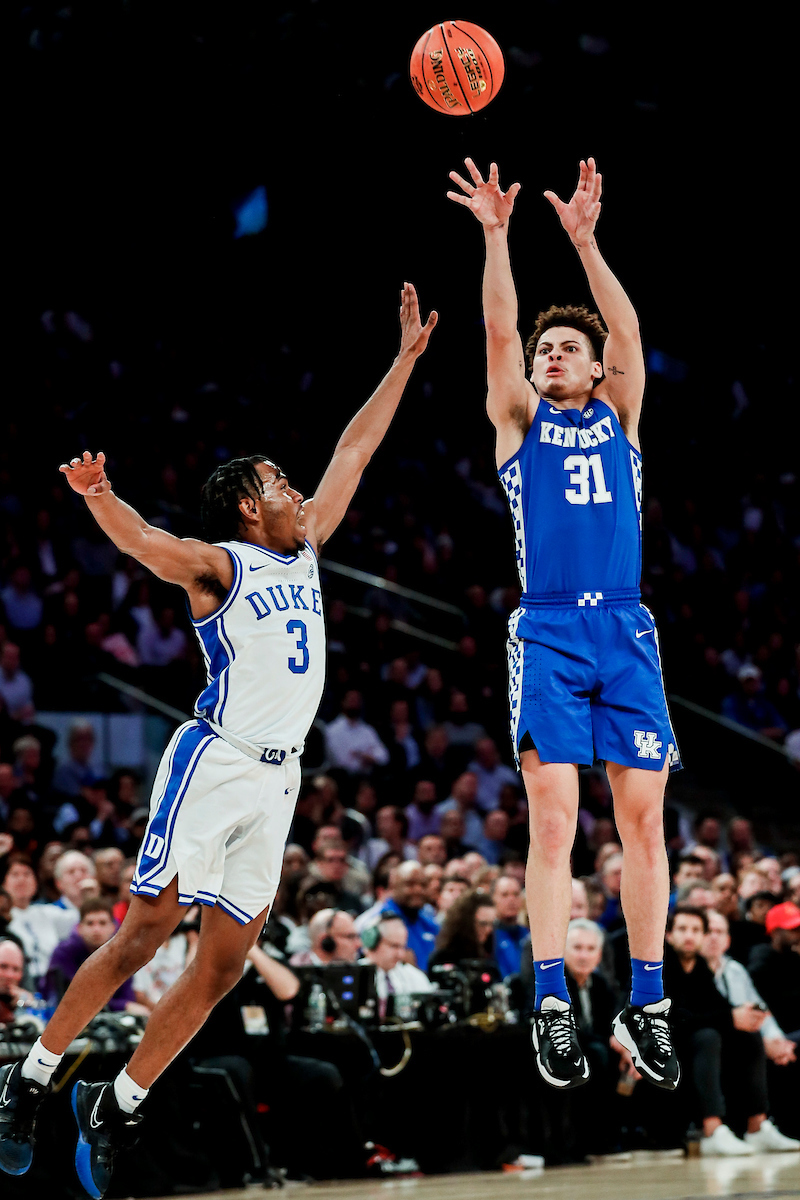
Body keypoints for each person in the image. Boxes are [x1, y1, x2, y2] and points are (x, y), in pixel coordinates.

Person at [0, 282, 437, 1195]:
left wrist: (402, 361)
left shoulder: (307, 542)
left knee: (229, 959)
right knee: (146, 932)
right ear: (247, 506)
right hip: (216, 760)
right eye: (279, 482)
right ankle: (31, 1078)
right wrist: (100, 497)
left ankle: (118, 1101)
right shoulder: (220, 564)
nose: (297, 489)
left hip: (279, 782)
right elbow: (147, 544)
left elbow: (355, 446)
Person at [447, 155, 680, 1092]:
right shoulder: (519, 422)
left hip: (624, 632)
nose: (552, 356)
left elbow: (624, 325)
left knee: (646, 822)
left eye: (566, 350)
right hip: (545, 631)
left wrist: (585, 242)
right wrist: (498, 236)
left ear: (596, 369)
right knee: (554, 824)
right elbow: (500, 328)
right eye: (547, 352)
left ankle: (648, 1002)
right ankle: (551, 998)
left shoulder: (621, 414)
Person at [702, 909, 799, 1151]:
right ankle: (717, 1130)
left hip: (742, 1040)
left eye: (720, 932)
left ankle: (760, 1126)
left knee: (771, 1043)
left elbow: (760, 1009)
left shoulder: (735, 969)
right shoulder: (690, 970)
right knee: (721, 1039)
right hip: (712, 1041)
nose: (713, 937)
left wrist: (776, 1041)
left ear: (728, 940)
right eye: (708, 931)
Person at [360, 915, 433, 1016]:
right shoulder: (355, 977)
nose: (401, 955)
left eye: (403, 947)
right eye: (394, 946)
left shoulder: (416, 978)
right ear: (372, 942)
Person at [492, 875, 528, 977]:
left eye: (516, 894)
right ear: (493, 898)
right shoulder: (488, 936)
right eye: (504, 895)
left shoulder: (529, 935)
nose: (511, 900)